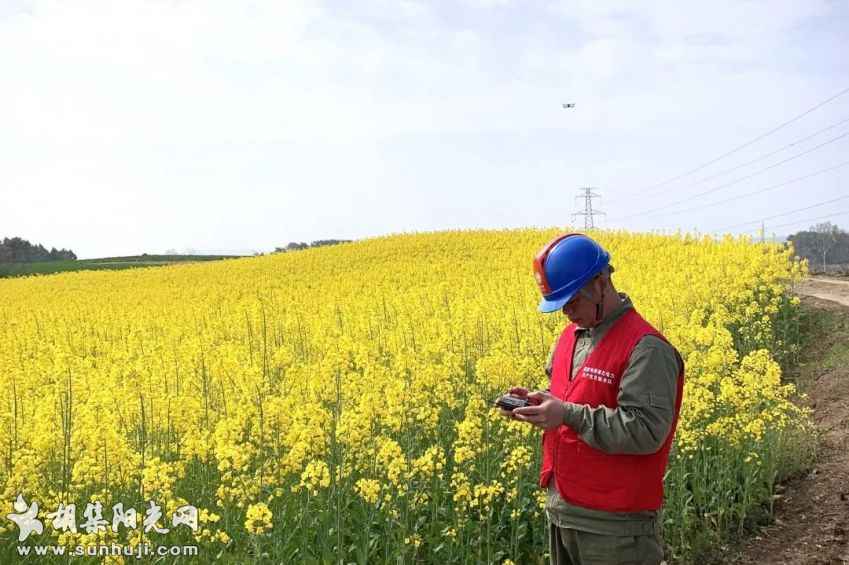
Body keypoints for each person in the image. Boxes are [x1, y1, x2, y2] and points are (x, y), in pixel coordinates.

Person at [500, 233, 684, 565]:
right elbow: (572, 398)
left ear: (601, 283)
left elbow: (645, 431)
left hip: (615, 529)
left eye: (572, 301)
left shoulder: (646, 348)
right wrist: (538, 404)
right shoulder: (569, 337)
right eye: (561, 305)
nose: (567, 312)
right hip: (564, 512)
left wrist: (567, 414)